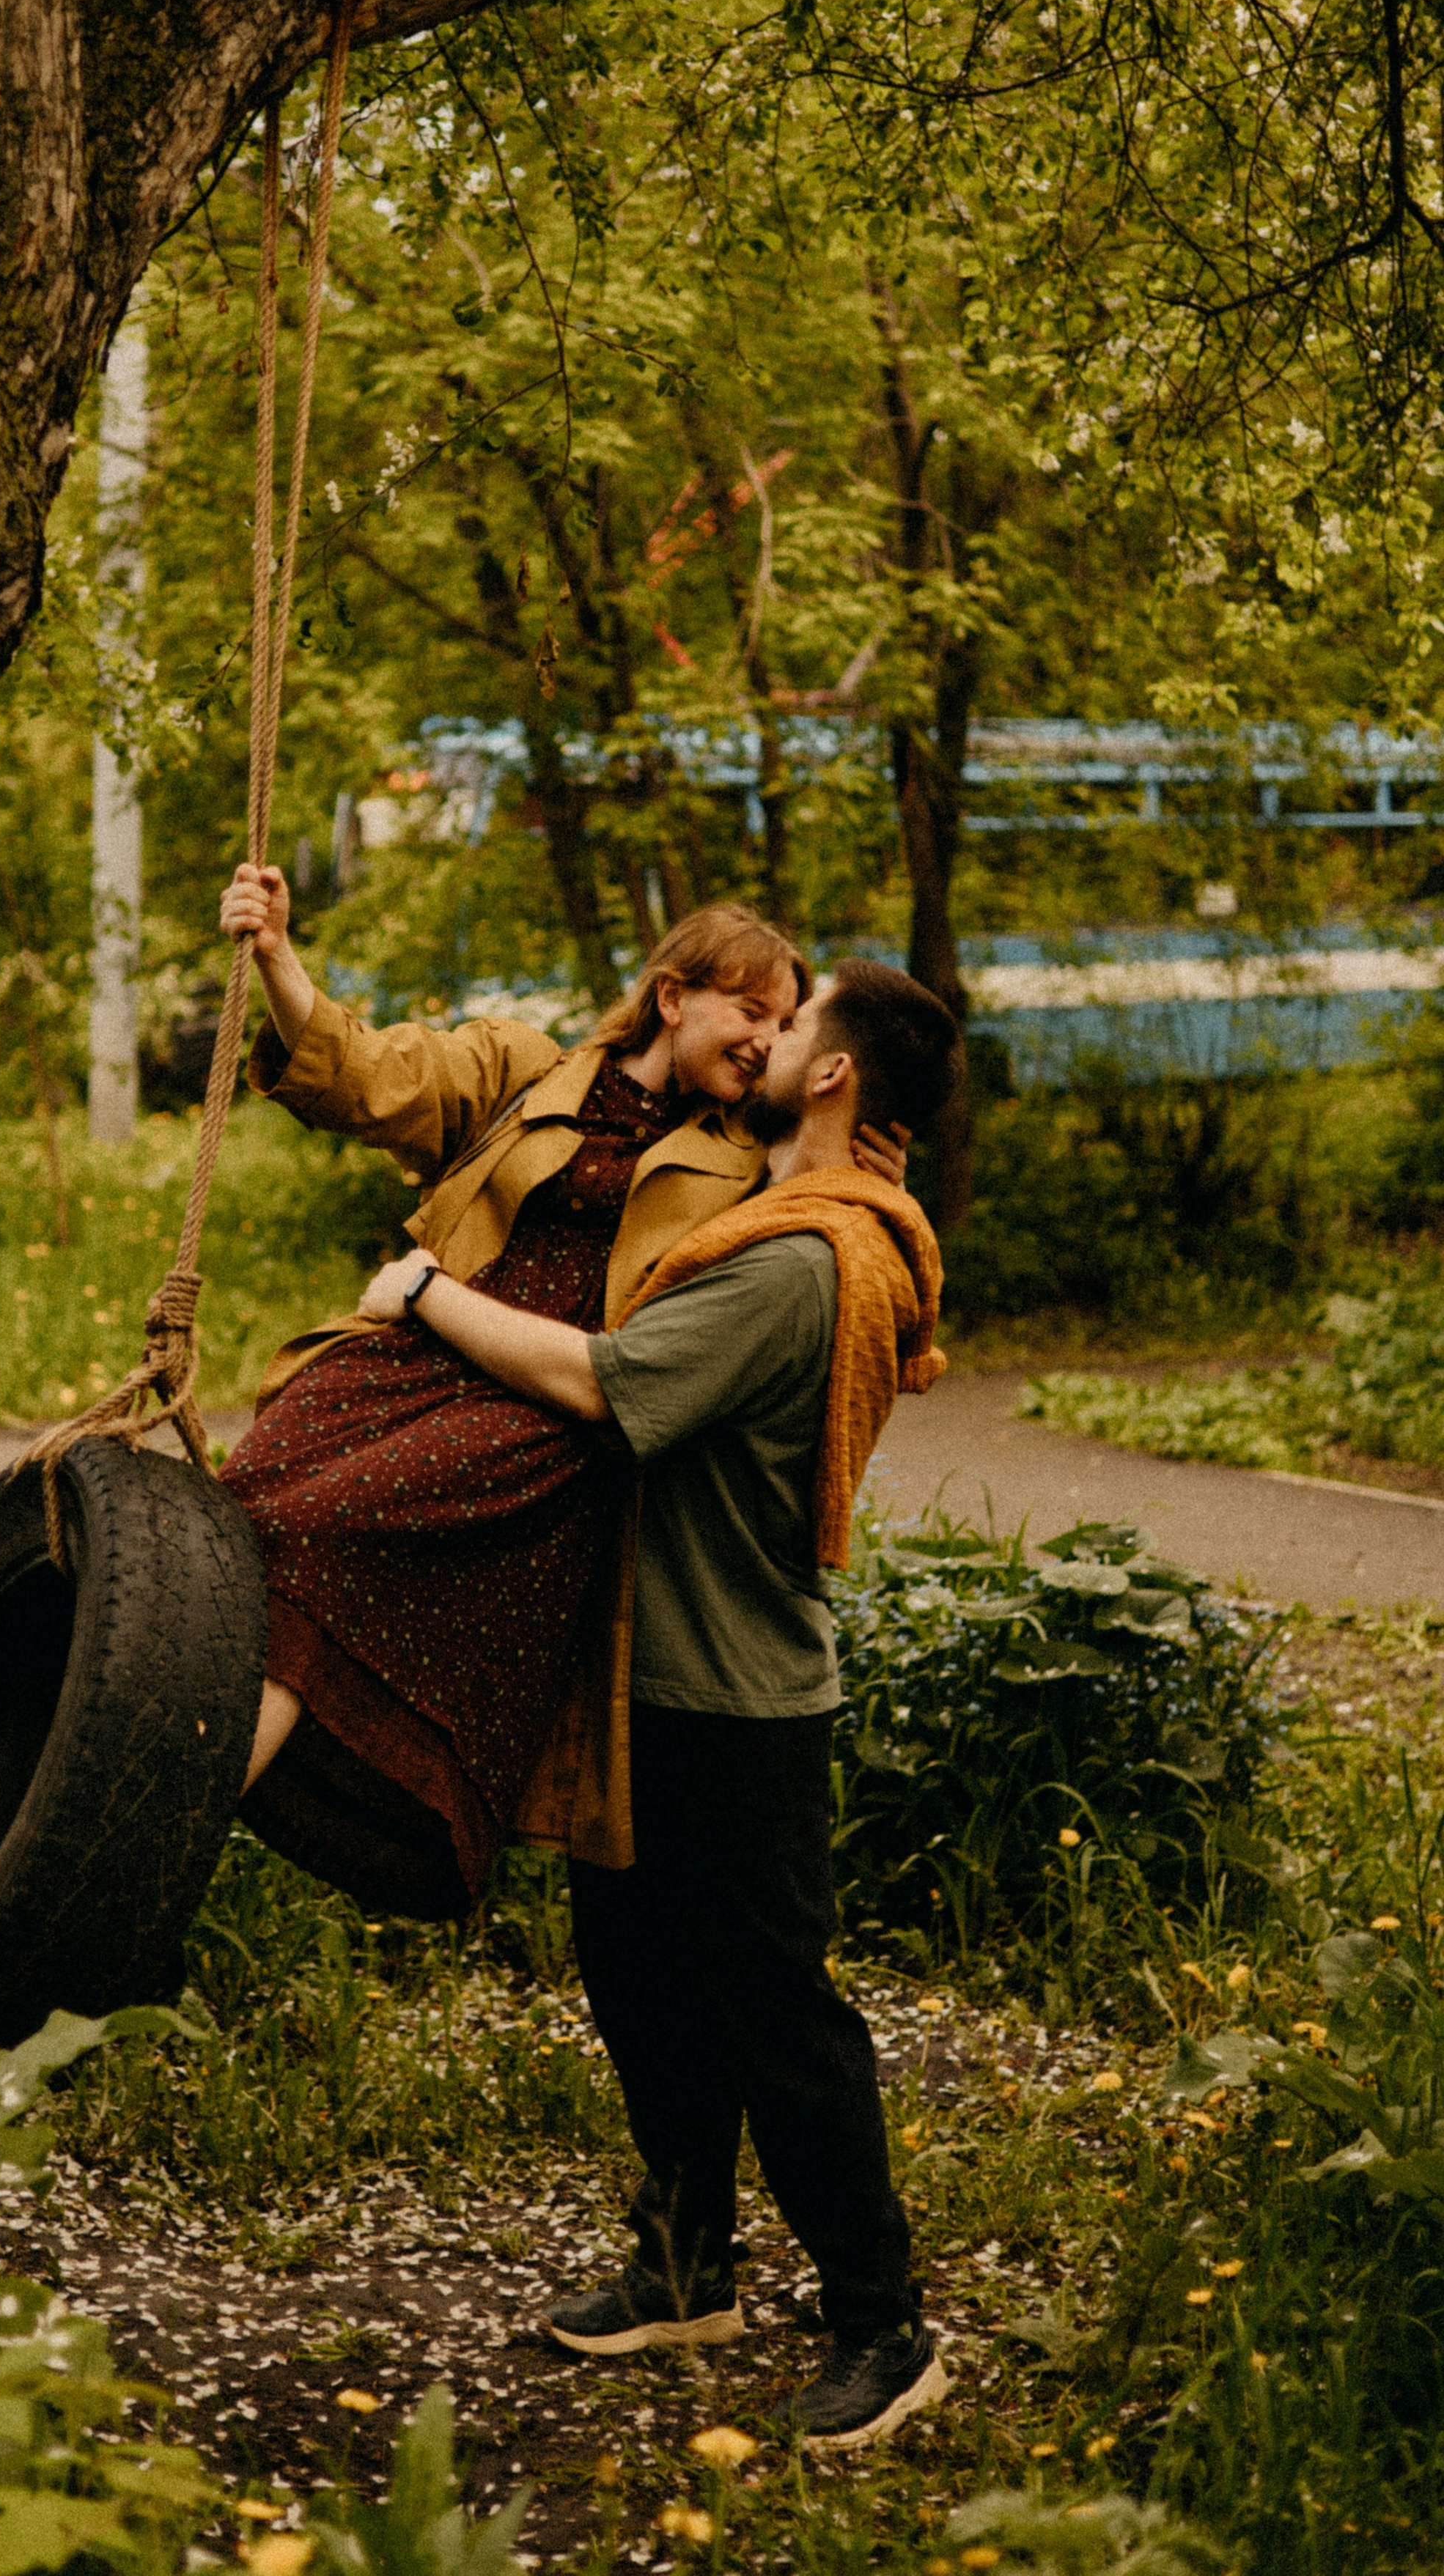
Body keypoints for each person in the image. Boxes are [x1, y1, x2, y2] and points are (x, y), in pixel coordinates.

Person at [355, 956, 963, 2452]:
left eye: (794, 1025)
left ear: (830, 1079)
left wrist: (426, 1293)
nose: (765, 1038)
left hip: (735, 1697)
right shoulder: (785, 1220)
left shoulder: (802, 1260)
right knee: (638, 1978)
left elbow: (604, 1384)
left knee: (775, 2015)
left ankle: (881, 2327)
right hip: (651, 1678)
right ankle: (686, 2265)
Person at [212, 864, 901, 1906]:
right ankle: (117, 1788)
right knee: (242, 1514)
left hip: (538, 1409)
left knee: (320, 1534)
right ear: (674, 997)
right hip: (412, 1353)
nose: (769, 1036)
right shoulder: (527, 1072)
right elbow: (367, 1072)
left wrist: (866, 1173)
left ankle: (163, 1832)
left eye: (787, 1020)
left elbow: (842, 1237)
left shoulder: (754, 1159)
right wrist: (276, 959)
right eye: (749, 1009)